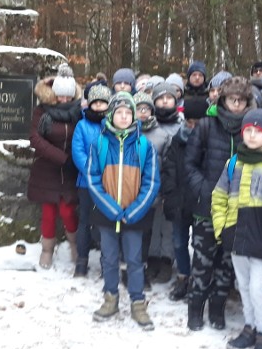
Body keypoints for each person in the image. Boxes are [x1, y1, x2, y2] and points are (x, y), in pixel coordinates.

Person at [211, 109, 262, 349]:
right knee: (243, 285)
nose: (252, 135)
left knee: (258, 288)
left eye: (258, 131)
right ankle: (249, 327)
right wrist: (222, 228)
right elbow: (219, 195)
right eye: (248, 130)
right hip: (236, 235)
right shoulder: (233, 163)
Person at [185, 76, 256, 331]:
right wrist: (204, 189)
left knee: (227, 265)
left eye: (241, 100)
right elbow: (190, 163)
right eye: (231, 99)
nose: (236, 105)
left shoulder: (252, 129)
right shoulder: (206, 125)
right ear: (222, 100)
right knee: (202, 262)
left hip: (237, 211)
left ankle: (218, 308)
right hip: (207, 209)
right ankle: (195, 308)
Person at [87, 92, 159, 330]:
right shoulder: (100, 143)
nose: (125, 116)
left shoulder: (144, 145)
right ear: (111, 115)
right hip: (107, 213)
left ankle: (138, 303)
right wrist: (110, 208)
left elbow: (151, 182)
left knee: (135, 260)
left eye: (129, 112)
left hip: (134, 213)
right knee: (108, 258)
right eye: (119, 112)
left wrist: (135, 210)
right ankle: (110, 298)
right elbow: (92, 178)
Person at [27, 64, 81, 269]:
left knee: (68, 210)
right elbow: (35, 138)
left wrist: (75, 160)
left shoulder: (78, 112)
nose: (64, 100)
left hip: (71, 170)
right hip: (47, 168)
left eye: (68, 96)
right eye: (60, 96)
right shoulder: (42, 112)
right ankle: (47, 249)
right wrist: (61, 158)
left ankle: (75, 245)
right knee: (48, 211)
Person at [161, 96, 209, 301]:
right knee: (179, 242)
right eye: (190, 122)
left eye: (198, 123)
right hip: (180, 199)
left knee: (201, 246)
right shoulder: (177, 141)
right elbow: (169, 169)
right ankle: (183, 276)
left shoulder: (210, 142)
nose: (194, 127)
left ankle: (200, 280)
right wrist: (170, 195)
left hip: (201, 201)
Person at [137, 82, 183, 283]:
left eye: (169, 97)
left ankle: (167, 259)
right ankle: (152, 258)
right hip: (148, 183)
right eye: (160, 97)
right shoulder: (147, 127)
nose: (165, 101)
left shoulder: (179, 125)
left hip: (172, 180)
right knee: (152, 224)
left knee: (168, 224)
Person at [71, 82, 111, 277]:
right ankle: (81, 261)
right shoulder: (82, 125)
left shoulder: (112, 125)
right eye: (96, 103)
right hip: (86, 182)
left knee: (105, 223)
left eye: (103, 103)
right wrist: (92, 170)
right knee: (85, 222)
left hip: (108, 183)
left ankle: (107, 261)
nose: (99, 107)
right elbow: (78, 152)